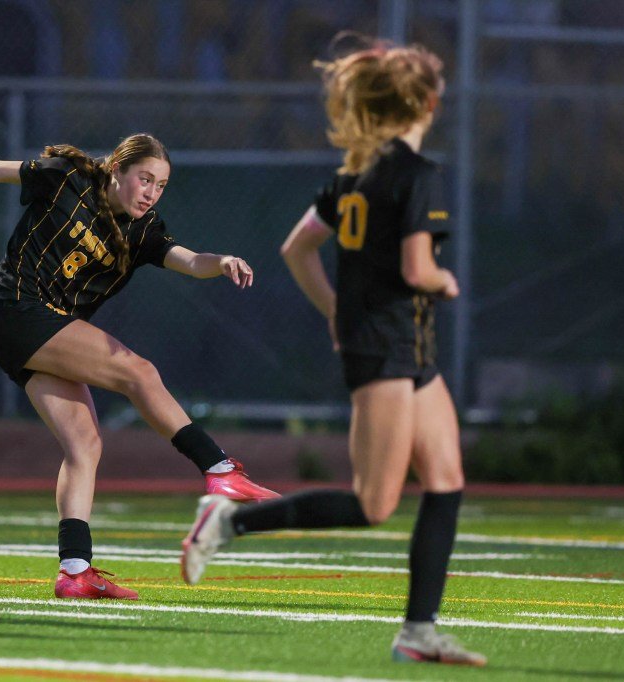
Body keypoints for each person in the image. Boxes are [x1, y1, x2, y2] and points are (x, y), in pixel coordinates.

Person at [181, 35, 486, 667]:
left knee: (447, 479)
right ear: (428, 102)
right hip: (384, 346)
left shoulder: (355, 176)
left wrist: (334, 310)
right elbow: (416, 266)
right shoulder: (415, 176)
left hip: (402, 345)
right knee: (375, 503)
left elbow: (298, 249)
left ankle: (419, 631)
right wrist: (442, 280)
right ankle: (230, 521)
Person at [0, 130, 279, 601]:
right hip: (17, 310)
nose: (151, 192)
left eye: (161, 185)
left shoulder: (143, 230)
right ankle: (219, 469)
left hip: (40, 331)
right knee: (139, 372)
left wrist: (223, 260)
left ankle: (75, 571)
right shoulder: (69, 177)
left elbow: (191, 261)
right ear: (116, 170)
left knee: (85, 445)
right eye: (144, 179)